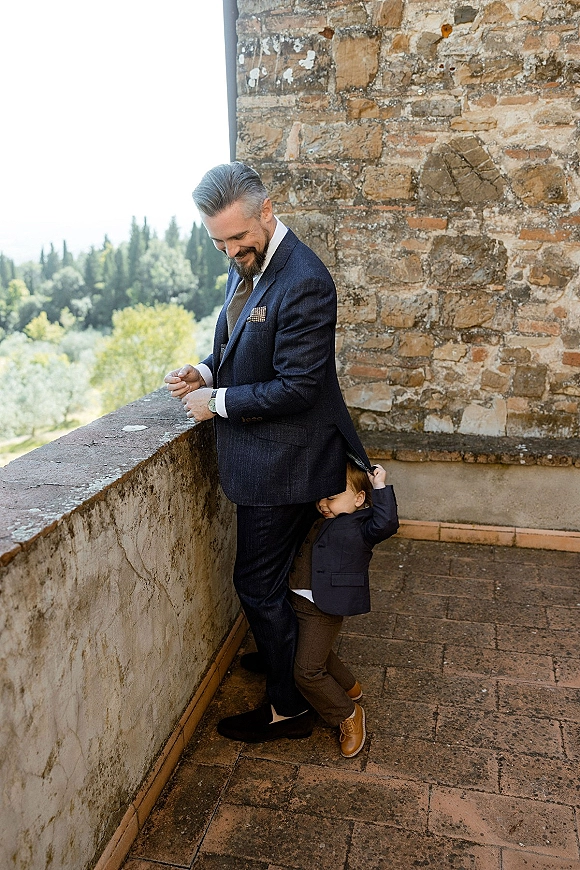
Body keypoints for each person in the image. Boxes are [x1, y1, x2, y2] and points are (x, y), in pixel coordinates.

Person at [165, 161, 371, 743]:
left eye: (238, 237)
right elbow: (237, 341)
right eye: (219, 241)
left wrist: (217, 402)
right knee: (273, 580)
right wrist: (203, 370)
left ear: (268, 212)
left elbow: (299, 385)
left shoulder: (304, 278)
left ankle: (287, 707)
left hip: (285, 465)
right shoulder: (248, 264)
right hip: (269, 456)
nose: (231, 251)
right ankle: (280, 657)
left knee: (257, 584)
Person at [288, 461, 398, 758]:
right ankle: (350, 686)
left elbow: (388, 523)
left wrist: (380, 486)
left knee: (307, 671)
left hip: (324, 605)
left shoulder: (363, 524)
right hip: (297, 597)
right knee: (315, 651)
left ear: (359, 499)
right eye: (321, 497)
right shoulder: (319, 515)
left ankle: (347, 714)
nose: (324, 504)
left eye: (333, 498)